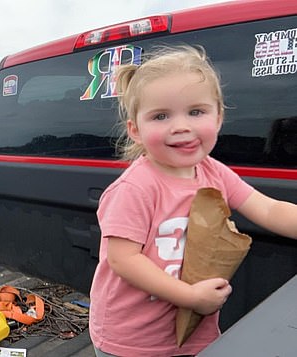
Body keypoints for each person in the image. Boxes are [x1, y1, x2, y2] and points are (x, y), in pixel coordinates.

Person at [88, 45, 297, 357]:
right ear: (135, 130)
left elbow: (266, 208)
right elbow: (124, 260)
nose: (181, 126)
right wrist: (189, 297)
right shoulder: (136, 188)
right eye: (160, 116)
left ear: (219, 116)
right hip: (132, 341)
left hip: (192, 331)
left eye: (196, 111)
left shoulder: (214, 172)